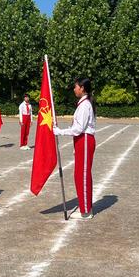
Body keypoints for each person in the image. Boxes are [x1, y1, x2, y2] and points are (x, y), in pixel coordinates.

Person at [54, 78, 96, 220]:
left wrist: (60, 131)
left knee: (82, 175)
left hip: (84, 139)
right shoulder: (83, 104)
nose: (74, 89)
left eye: (76, 87)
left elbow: (78, 129)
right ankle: (85, 205)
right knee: (80, 174)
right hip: (81, 141)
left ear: (82, 88)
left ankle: (85, 211)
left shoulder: (85, 105)